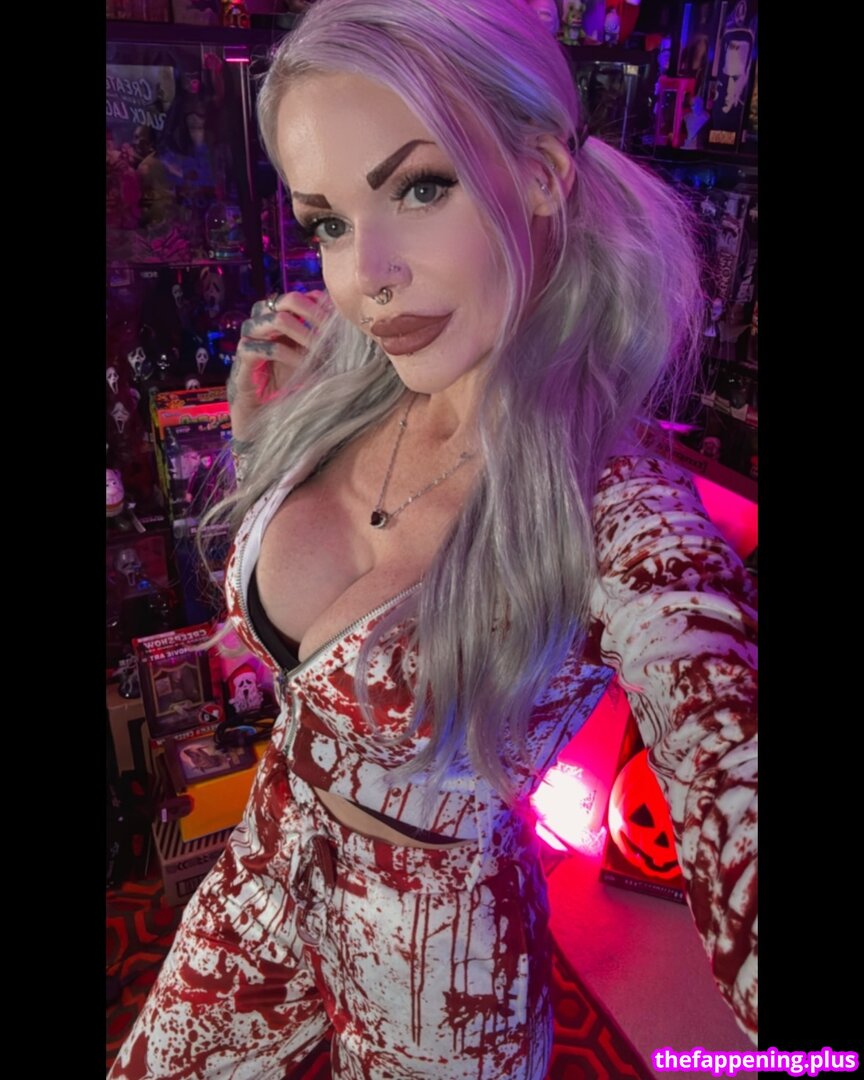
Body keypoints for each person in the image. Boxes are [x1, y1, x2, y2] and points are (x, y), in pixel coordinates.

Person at [108, 1, 757, 1077]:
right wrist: (275, 446)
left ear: (541, 175)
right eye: (328, 222)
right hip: (266, 867)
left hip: (440, 974)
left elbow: (728, 764)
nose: (368, 273)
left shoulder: (620, 511)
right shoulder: (352, 381)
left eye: (419, 189)